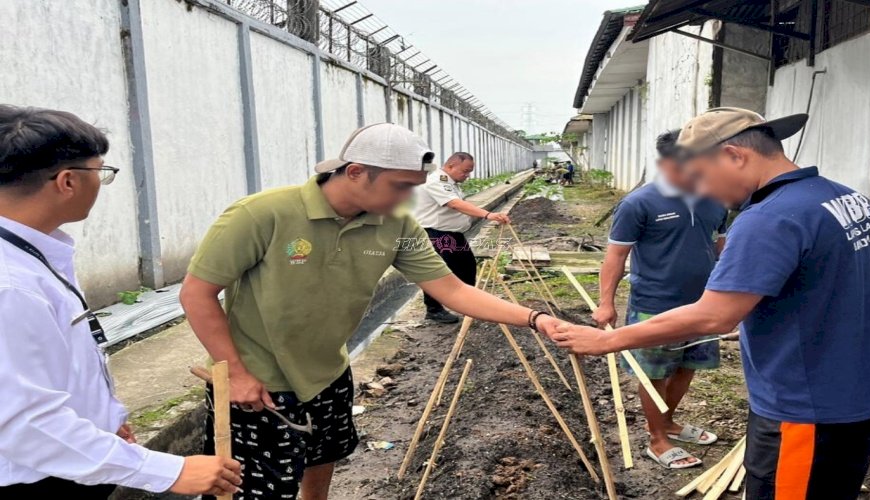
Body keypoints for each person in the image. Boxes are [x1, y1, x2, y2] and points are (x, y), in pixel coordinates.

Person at [179, 123, 562, 500]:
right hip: (257, 385)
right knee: (254, 489)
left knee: (323, 457)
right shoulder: (262, 214)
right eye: (400, 186)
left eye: (413, 187)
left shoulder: (396, 225)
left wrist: (535, 318)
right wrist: (237, 372)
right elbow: (197, 293)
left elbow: (452, 290)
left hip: (329, 373)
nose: (408, 198)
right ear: (356, 172)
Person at [550, 107, 870, 499]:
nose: (700, 190)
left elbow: (716, 315)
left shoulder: (767, 217)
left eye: (700, 176)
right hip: (864, 393)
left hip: (805, 404)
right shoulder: (846, 198)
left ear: (734, 155)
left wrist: (607, 341)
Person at [0, 105, 241, 498]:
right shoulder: (11, 285)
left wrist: (101, 417)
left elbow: (50, 364)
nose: (102, 183)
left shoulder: (36, 252)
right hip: (36, 476)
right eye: (101, 173)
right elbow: (22, 423)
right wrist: (168, 470)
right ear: (67, 182)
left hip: (70, 459)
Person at [595, 129, 728, 469]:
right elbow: (615, 257)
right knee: (654, 373)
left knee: (687, 366)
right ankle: (657, 440)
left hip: (704, 304)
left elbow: (718, 246)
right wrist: (606, 303)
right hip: (654, 303)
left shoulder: (714, 199)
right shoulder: (639, 203)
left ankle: (668, 422)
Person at [412, 152, 511, 323]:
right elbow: (455, 204)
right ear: (450, 166)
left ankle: (469, 304)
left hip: (450, 233)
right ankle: (434, 310)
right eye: (465, 171)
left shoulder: (450, 182)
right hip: (437, 233)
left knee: (466, 267)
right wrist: (488, 215)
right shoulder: (437, 181)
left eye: (469, 172)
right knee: (440, 271)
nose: (467, 175)